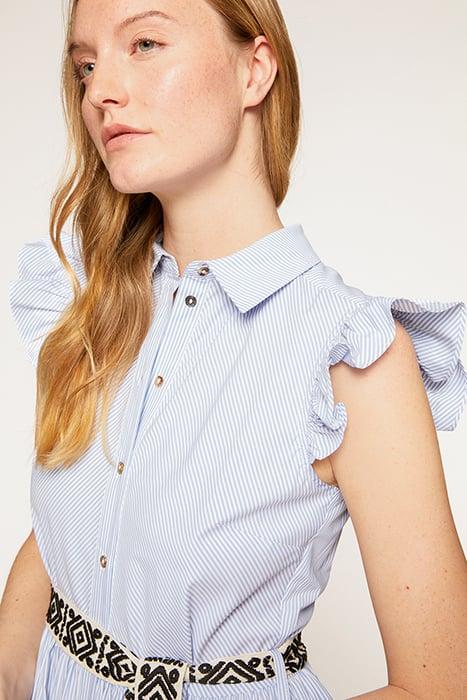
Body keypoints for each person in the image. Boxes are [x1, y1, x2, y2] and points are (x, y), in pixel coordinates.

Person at [2, 0, 466, 698]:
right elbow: (65, 548)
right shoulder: (92, 302)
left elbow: (442, 685)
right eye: (86, 66)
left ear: (254, 70)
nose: (101, 91)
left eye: (145, 44)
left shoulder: (349, 355)